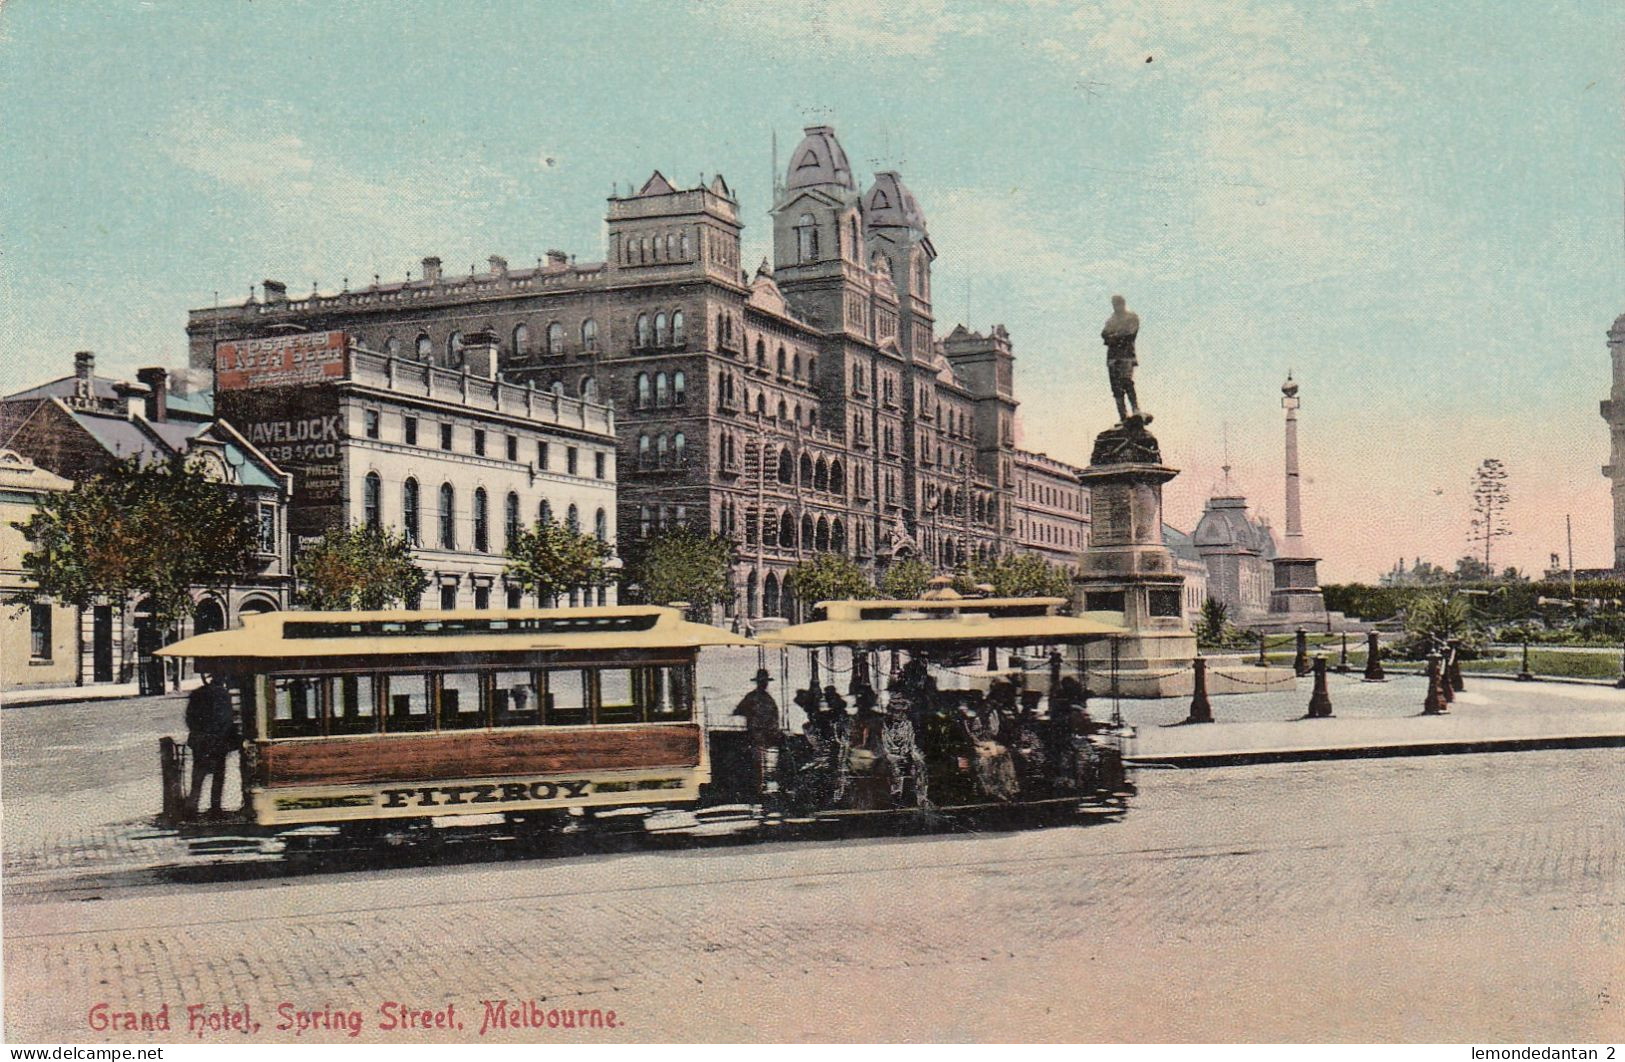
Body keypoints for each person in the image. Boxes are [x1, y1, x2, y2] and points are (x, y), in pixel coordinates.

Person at [184, 671, 238, 819]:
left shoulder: (197, 694)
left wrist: (198, 732)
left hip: (201, 742)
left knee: (198, 777)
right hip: (218, 742)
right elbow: (227, 721)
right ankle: (215, 809)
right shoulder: (223, 695)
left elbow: (189, 718)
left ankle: (192, 809)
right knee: (218, 777)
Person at [733, 669, 782, 795]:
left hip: (763, 737)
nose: (764, 684)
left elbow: (738, 711)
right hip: (758, 737)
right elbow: (738, 711)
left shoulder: (759, 698)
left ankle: (761, 789)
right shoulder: (760, 698)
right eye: (762, 682)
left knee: (763, 765)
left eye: (764, 682)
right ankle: (760, 789)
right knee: (760, 765)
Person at [1101, 294, 1143, 424]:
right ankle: (1122, 416)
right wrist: (1114, 336)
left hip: (1126, 355)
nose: (1116, 306)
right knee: (1116, 387)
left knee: (1126, 382)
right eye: (1114, 303)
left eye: (1118, 303)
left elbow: (1130, 333)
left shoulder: (1131, 317)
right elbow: (1104, 334)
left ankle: (1135, 409)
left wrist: (1115, 336)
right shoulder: (1111, 320)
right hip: (1113, 356)